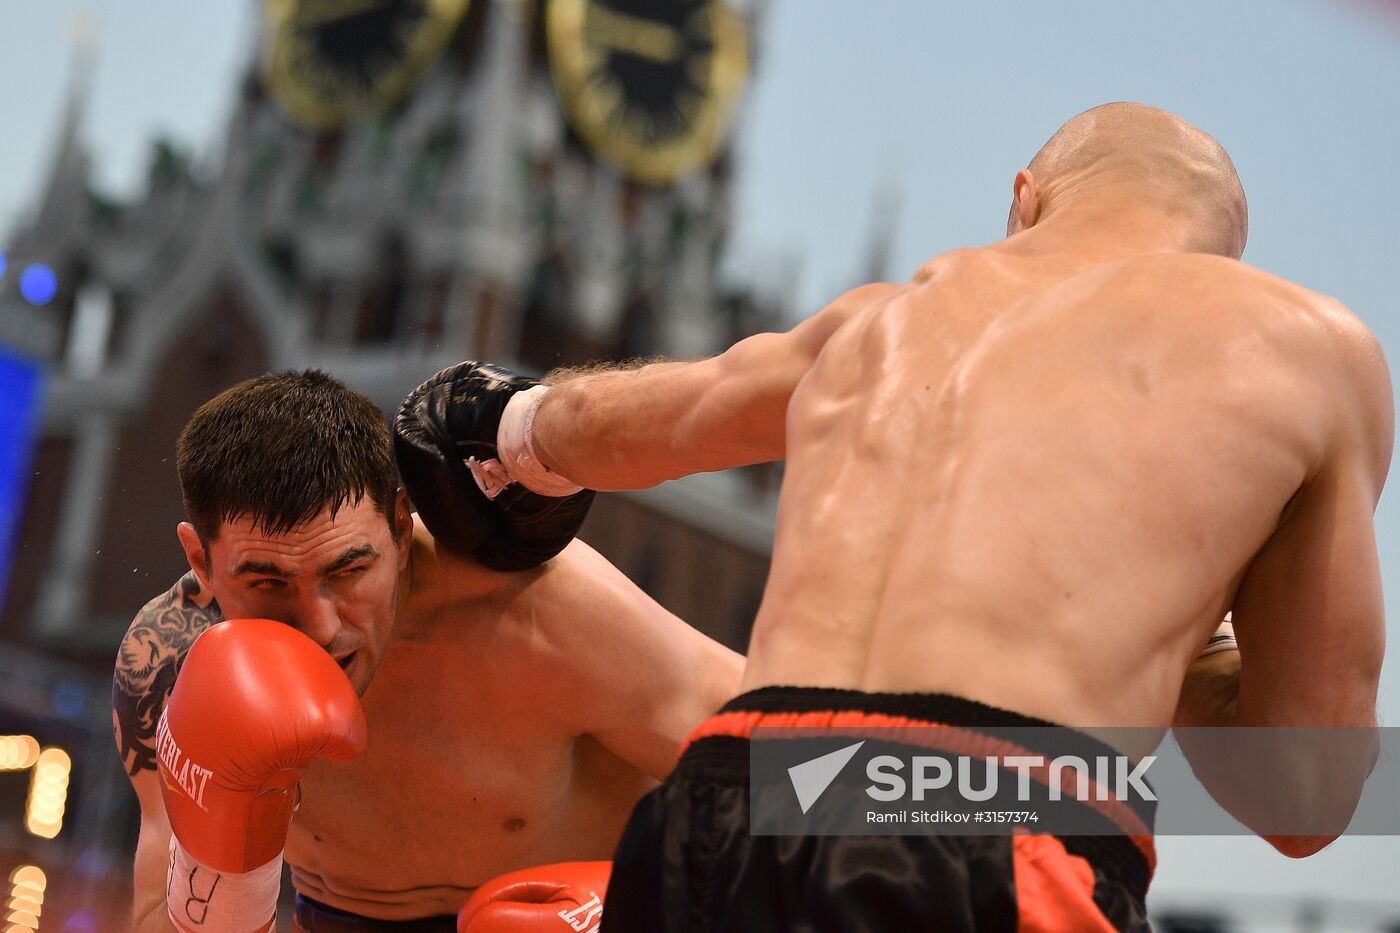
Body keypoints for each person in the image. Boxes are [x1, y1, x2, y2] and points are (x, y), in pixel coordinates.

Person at [456, 103, 1393, 931]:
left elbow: (616, 423)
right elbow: (1300, 795)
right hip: (990, 811)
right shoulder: (1303, 346)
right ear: (1223, 264)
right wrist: (1195, 622)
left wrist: (501, 422)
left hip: (733, 800)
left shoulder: (878, 319)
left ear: (1025, 198)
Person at [112, 369, 743, 931]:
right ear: (201, 558)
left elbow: (834, 780)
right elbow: (155, 916)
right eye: (268, 583)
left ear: (400, 525)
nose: (322, 626)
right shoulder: (167, 658)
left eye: (348, 570)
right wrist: (221, 902)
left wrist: (654, 907)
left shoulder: (545, 620)